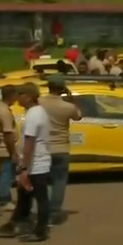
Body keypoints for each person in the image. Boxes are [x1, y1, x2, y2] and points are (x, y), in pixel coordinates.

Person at [0, 83, 52, 242]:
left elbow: (29, 143)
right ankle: (16, 224)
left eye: (20, 94)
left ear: (28, 96)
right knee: (24, 196)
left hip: (36, 165)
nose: (17, 97)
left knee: (41, 198)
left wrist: (24, 168)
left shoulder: (34, 115)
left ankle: (40, 231)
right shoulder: (37, 112)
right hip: (35, 163)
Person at [38, 75, 82, 226]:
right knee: (59, 182)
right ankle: (53, 212)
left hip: (43, 147)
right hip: (61, 148)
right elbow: (78, 116)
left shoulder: (39, 102)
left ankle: (41, 210)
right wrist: (72, 99)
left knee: (41, 181)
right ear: (62, 89)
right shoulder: (67, 107)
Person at [0, 84, 19, 211]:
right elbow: (8, 133)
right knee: (6, 174)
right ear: (12, 95)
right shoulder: (4, 112)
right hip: (5, 147)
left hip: (0, 146)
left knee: (5, 173)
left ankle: (4, 197)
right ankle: (4, 199)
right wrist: (13, 152)